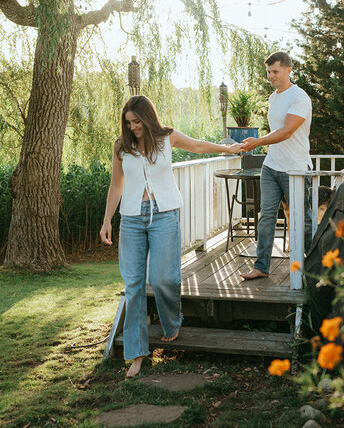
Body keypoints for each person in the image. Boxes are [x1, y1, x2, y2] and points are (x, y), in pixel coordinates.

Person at [100, 95, 241, 378]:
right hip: (131, 218)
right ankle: (137, 354)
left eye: (137, 121)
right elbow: (116, 185)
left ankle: (172, 322)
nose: (133, 127)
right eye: (128, 122)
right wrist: (106, 221)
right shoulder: (121, 146)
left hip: (164, 214)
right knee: (134, 285)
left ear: (148, 118)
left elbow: (199, 146)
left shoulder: (167, 138)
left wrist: (228, 149)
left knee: (163, 278)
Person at [239, 51, 313, 280]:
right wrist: (261, 144)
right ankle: (261, 267)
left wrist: (259, 141)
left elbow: (288, 131)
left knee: (303, 218)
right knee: (267, 216)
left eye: (275, 71)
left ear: (289, 70)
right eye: (269, 72)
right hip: (271, 166)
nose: (271, 76)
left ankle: (313, 266)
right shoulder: (274, 98)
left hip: (296, 168)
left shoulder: (299, 97)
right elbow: (276, 131)